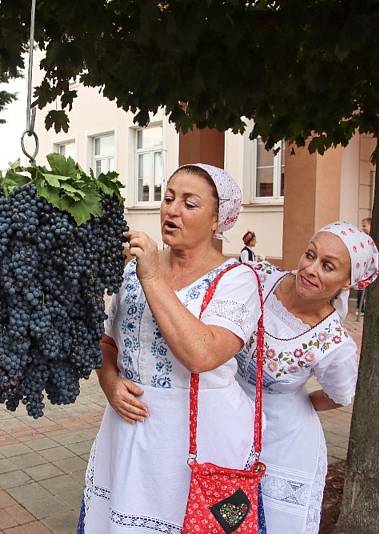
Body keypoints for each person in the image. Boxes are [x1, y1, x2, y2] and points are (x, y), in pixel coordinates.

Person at [78, 163, 263, 533]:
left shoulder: (238, 280)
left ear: (217, 220)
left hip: (198, 441)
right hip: (127, 431)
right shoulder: (130, 271)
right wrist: (110, 382)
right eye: (168, 198)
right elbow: (106, 340)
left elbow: (202, 354)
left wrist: (151, 274)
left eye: (190, 204)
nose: (172, 210)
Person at [234, 221, 379, 533]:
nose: (311, 269)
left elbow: (342, 395)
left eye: (327, 266)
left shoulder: (333, 343)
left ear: (347, 283)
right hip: (223, 418)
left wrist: (298, 401)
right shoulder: (259, 279)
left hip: (281, 442)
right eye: (310, 255)